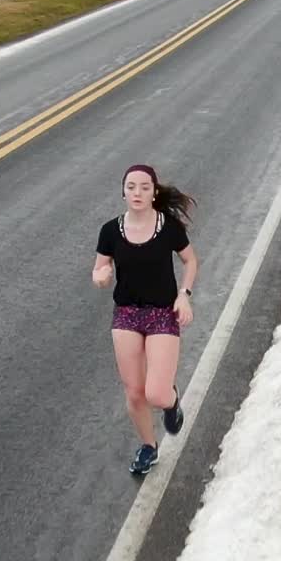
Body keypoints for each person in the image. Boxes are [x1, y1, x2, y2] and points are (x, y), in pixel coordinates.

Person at [93, 164, 199, 475]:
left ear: (154, 192)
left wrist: (184, 295)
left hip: (162, 312)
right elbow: (99, 268)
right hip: (126, 314)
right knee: (135, 391)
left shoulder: (168, 228)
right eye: (131, 187)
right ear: (123, 192)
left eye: (143, 187)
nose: (137, 192)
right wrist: (101, 276)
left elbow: (190, 260)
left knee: (156, 393)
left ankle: (171, 400)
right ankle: (149, 447)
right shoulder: (111, 230)